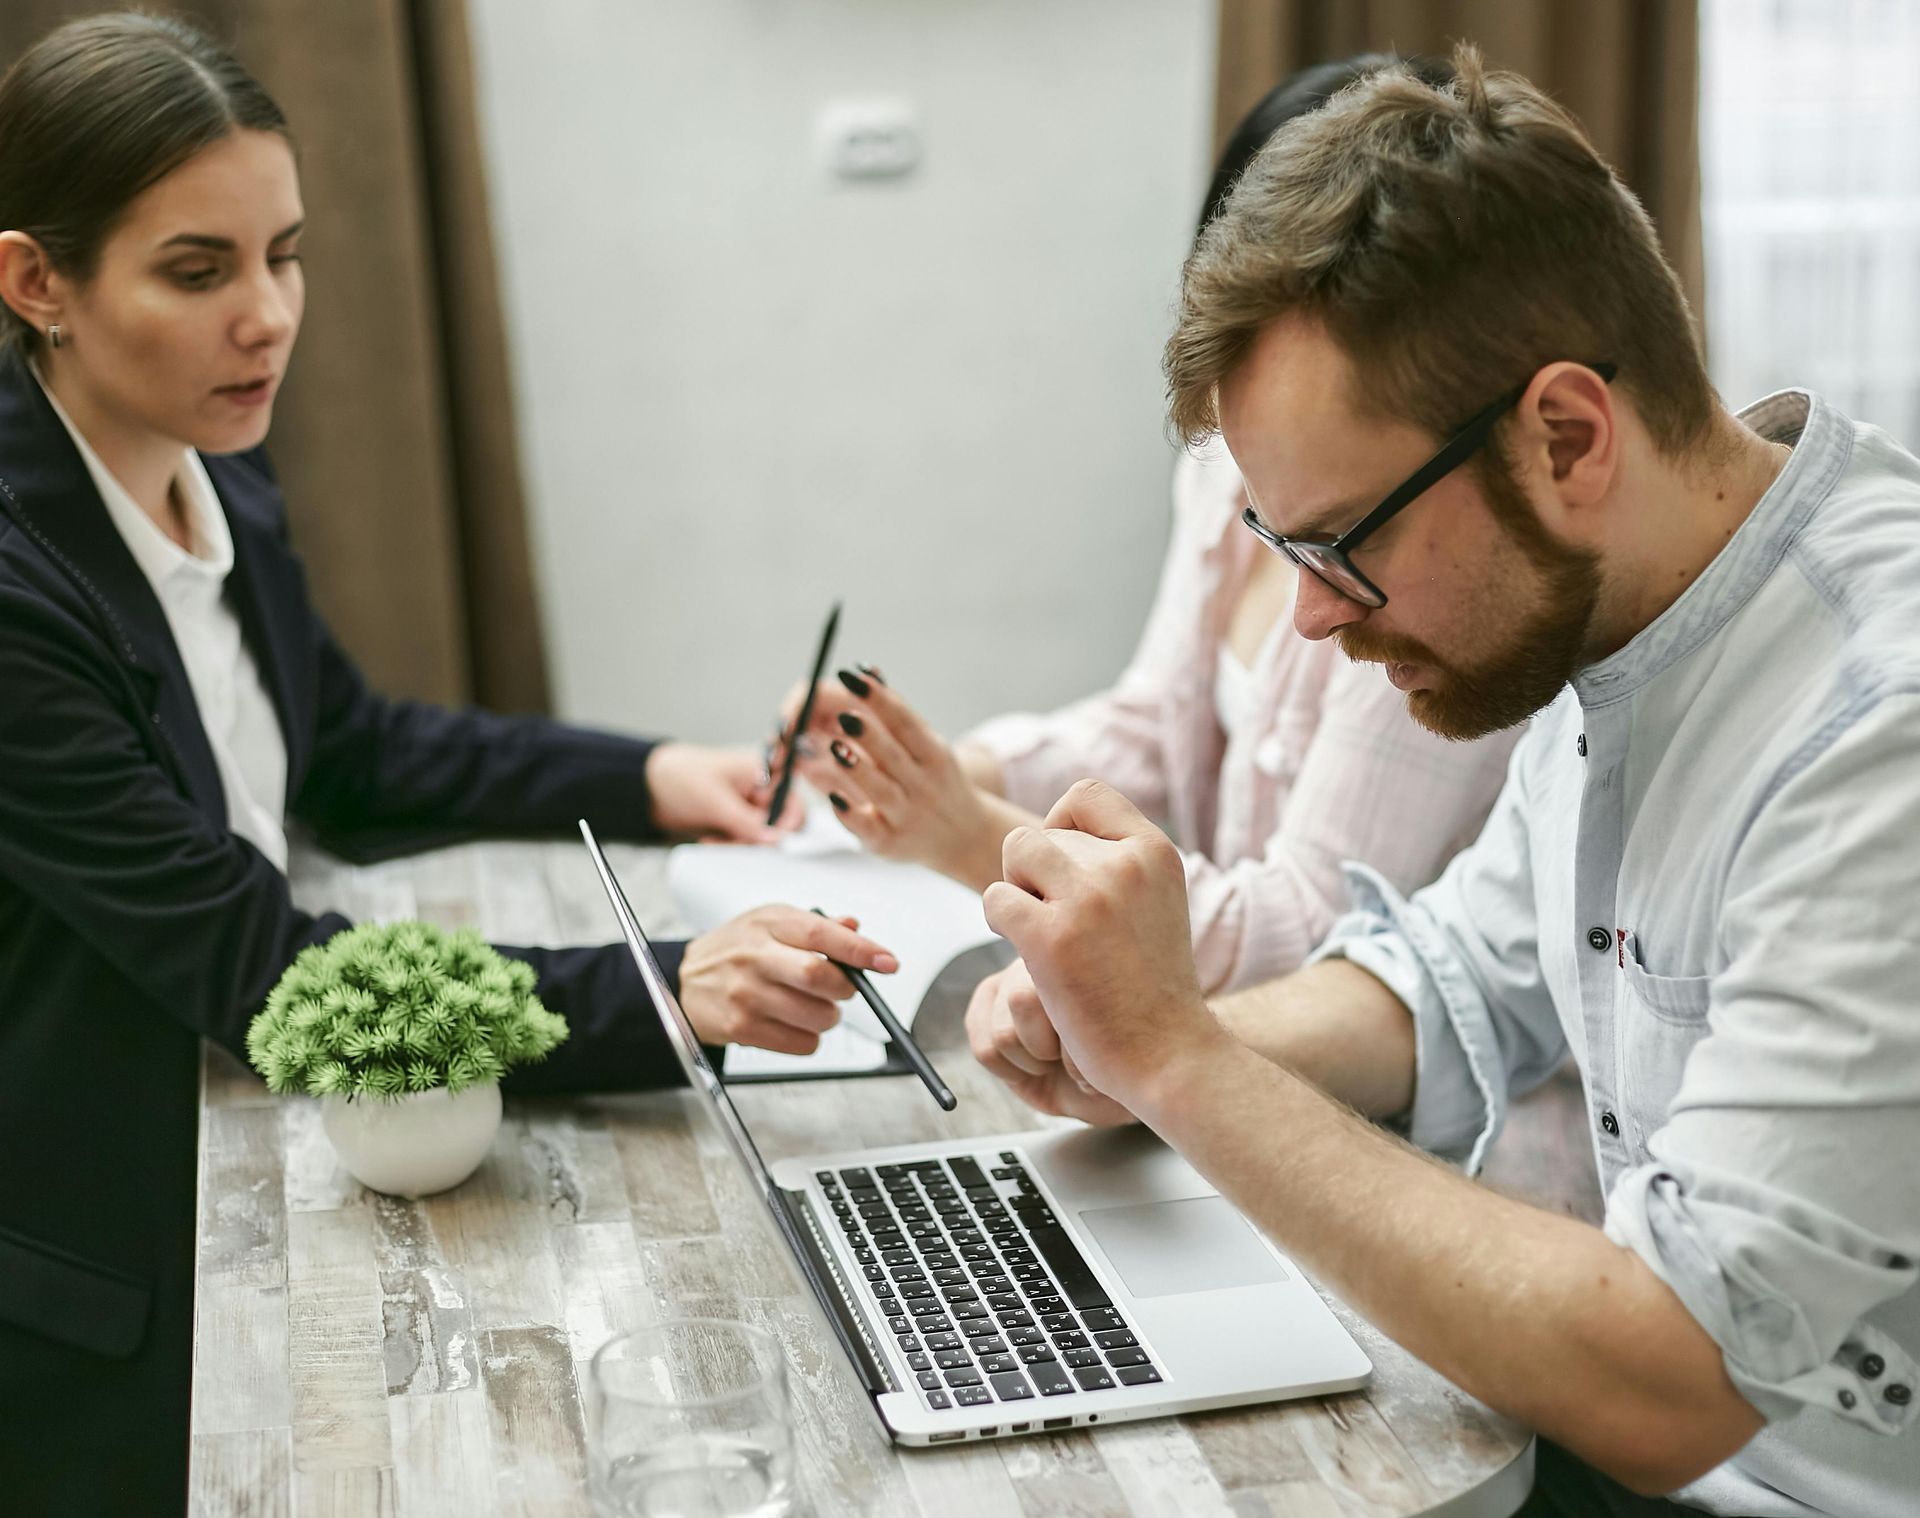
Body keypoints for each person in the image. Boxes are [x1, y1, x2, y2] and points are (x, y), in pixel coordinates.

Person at [965, 46, 1920, 1517]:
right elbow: (1449, 979)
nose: (1313, 616)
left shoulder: (1878, 727)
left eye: (1345, 543)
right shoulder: (1625, 612)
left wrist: (1184, 1059)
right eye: (1288, 552)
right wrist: (1129, 1036)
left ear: (1566, 437)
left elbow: (1670, 1369)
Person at [0, 15, 895, 1512]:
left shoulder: (207, 453)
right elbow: (261, 970)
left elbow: (349, 746)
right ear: (37, 282)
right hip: (111, 1252)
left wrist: (663, 769)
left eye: (282, 254)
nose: (269, 318)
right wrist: (665, 986)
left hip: (253, 1132)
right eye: (199, 271)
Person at [779, 58, 1516, 997]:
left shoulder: (1425, 559)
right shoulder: (1223, 463)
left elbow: (1308, 939)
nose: (1308, 606)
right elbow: (1155, 730)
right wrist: (938, 770)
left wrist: (972, 833)